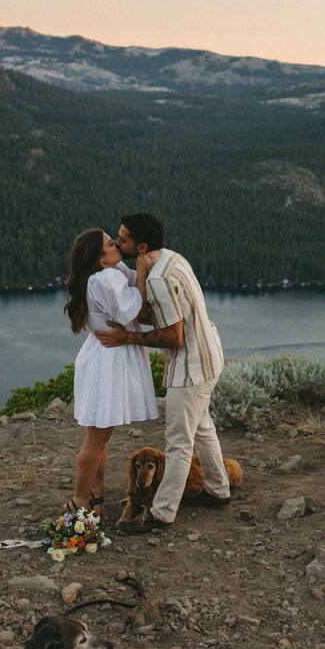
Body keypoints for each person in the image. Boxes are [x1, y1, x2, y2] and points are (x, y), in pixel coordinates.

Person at [95, 213, 231, 533]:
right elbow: (152, 312)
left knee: (178, 443)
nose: (116, 242)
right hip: (211, 354)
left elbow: (172, 336)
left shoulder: (156, 279)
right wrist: (138, 275)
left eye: (123, 239)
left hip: (191, 367)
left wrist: (127, 337)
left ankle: (161, 513)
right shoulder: (171, 258)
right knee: (202, 428)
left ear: (141, 247)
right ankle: (218, 490)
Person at [63, 227, 158, 516]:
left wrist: (140, 267)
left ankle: (96, 499)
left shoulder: (110, 272)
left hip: (106, 359)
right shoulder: (103, 279)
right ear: (99, 258)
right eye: (109, 243)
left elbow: (132, 283)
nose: (116, 242)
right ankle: (80, 501)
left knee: (101, 437)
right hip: (106, 363)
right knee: (96, 438)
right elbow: (133, 310)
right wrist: (141, 272)